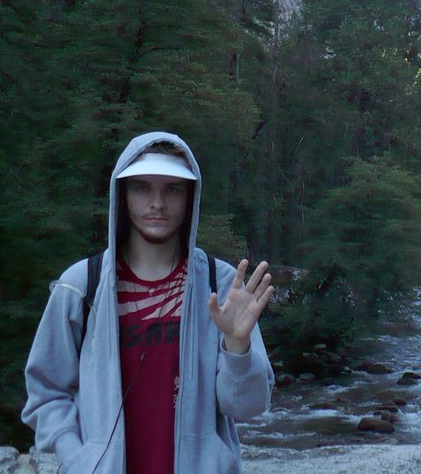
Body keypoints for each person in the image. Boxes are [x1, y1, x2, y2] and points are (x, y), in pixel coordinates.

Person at [22, 131, 275, 474]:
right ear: (122, 194)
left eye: (172, 189)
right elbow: (46, 390)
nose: (157, 203)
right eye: (142, 187)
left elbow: (247, 408)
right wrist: (77, 457)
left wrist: (238, 346)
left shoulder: (221, 285)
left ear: (190, 197)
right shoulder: (81, 286)